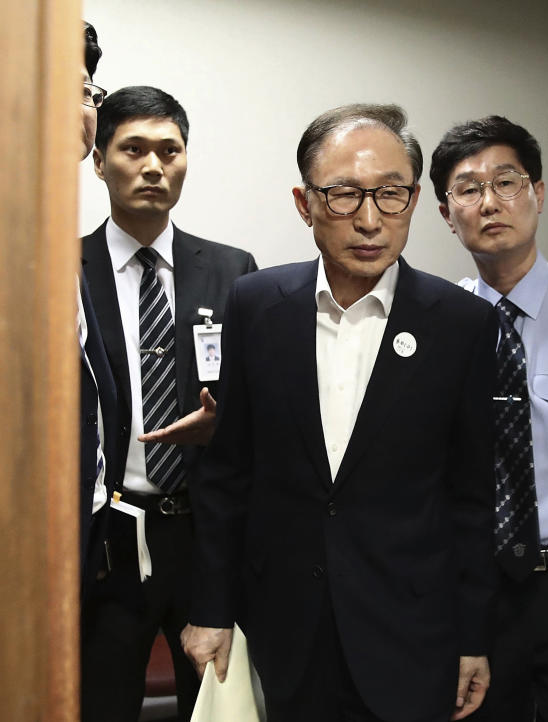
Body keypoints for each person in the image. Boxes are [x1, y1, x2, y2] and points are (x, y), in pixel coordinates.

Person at [182, 103, 499, 722]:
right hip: (284, 622)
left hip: (410, 628)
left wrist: (474, 635)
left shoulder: (461, 324)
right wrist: (211, 610)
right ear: (304, 204)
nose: (370, 220)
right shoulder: (256, 304)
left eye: (391, 195)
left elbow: (471, 498)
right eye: (344, 196)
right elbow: (227, 475)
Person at [80, 85, 257, 721]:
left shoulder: (235, 271)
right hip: (107, 539)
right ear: (100, 162)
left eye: (169, 150)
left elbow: (260, 405)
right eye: (133, 149)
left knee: (211, 710)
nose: (154, 166)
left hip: (203, 533)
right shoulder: (64, 267)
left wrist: (226, 422)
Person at [430, 115, 548, 722]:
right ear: (448, 214)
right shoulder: (438, 327)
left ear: (539, 193)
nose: (490, 201)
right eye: (468, 189)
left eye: (507, 181)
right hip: (479, 583)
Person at [78, 20, 120, 596]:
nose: (88, 106)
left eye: (91, 91)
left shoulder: (57, 243)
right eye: (76, 86)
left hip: (87, 523)